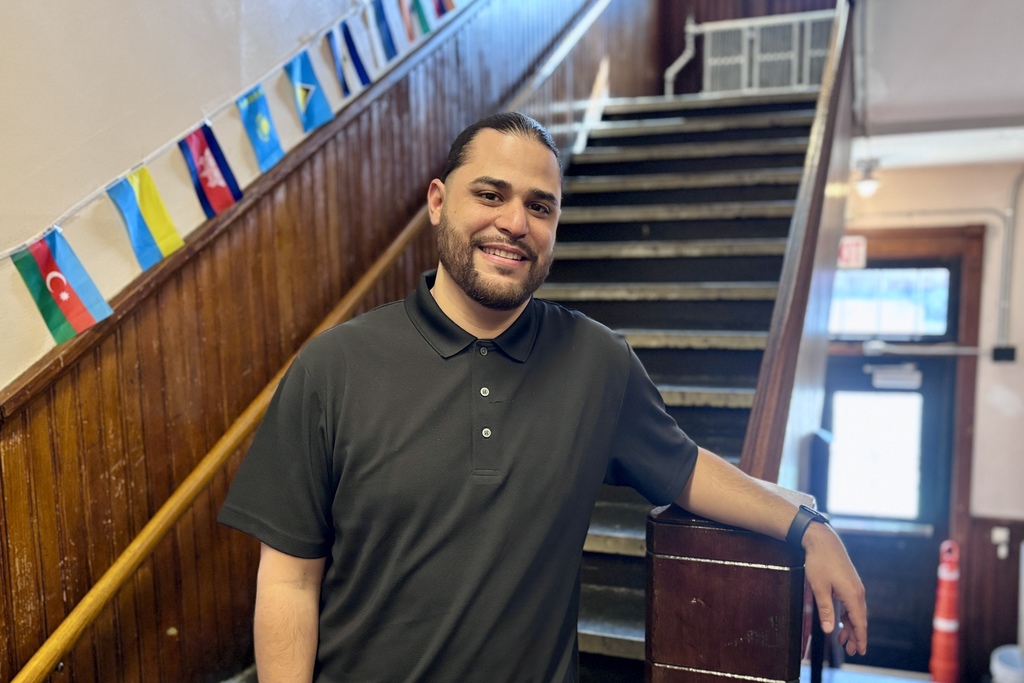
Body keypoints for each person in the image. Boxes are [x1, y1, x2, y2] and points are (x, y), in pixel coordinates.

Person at [218, 112, 867, 682]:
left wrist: (806, 526)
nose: (514, 222)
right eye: (491, 194)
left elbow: (685, 467)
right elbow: (289, 578)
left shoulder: (597, 363)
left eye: (540, 205)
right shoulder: (334, 366)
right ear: (439, 201)